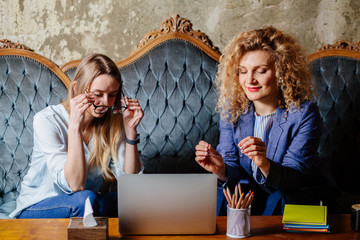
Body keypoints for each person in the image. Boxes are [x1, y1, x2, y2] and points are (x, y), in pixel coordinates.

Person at [195, 26, 330, 215]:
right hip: (251, 198)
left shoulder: (304, 113)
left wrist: (263, 163)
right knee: (223, 194)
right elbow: (233, 169)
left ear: (281, 73)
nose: (249, 80)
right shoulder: (231, 109)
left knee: (279, 198)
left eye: (260, 71)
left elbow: (295, 177)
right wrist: (221, 170)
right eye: (243, 71)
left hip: (293, 200)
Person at [10, 53, 144, 218]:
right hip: (38, 206)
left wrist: (131, 133)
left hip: (87, 205)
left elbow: (131, 182)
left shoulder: (110, 123)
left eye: (112, 95)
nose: (105, 102)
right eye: (98, 94)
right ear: (76, 88)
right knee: (85, 199)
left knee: (137, 199)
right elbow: (75, 185)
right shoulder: (47, 120)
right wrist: (74, 126)